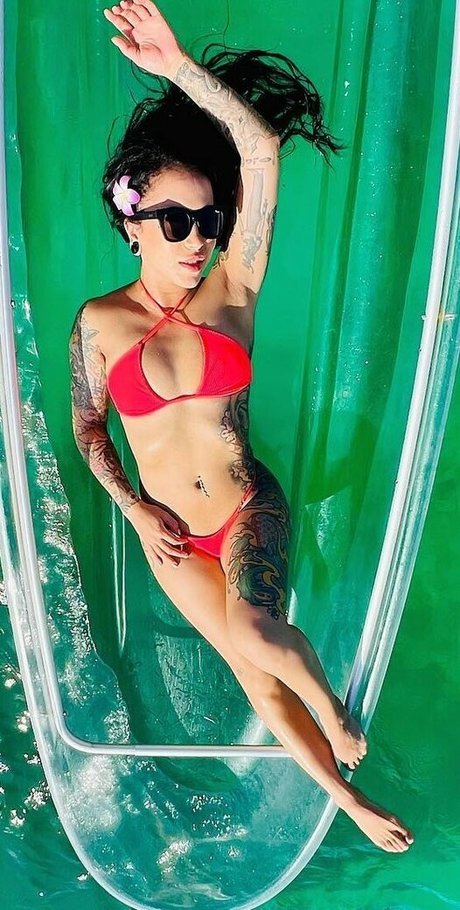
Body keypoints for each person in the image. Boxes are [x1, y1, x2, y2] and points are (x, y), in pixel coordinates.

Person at [69, 0, 414, 853]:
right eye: (175, 223)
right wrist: (133, 508)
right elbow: (88, 428)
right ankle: (350, 802)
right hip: (174, 536)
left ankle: (330, 707)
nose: (197, 240)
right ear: (132, 223)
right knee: (251, 675)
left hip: (246, 506)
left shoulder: (234, 290)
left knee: (258, 635)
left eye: (208, 222)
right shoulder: (99, 324)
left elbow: (260, 152)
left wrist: (180, 68)